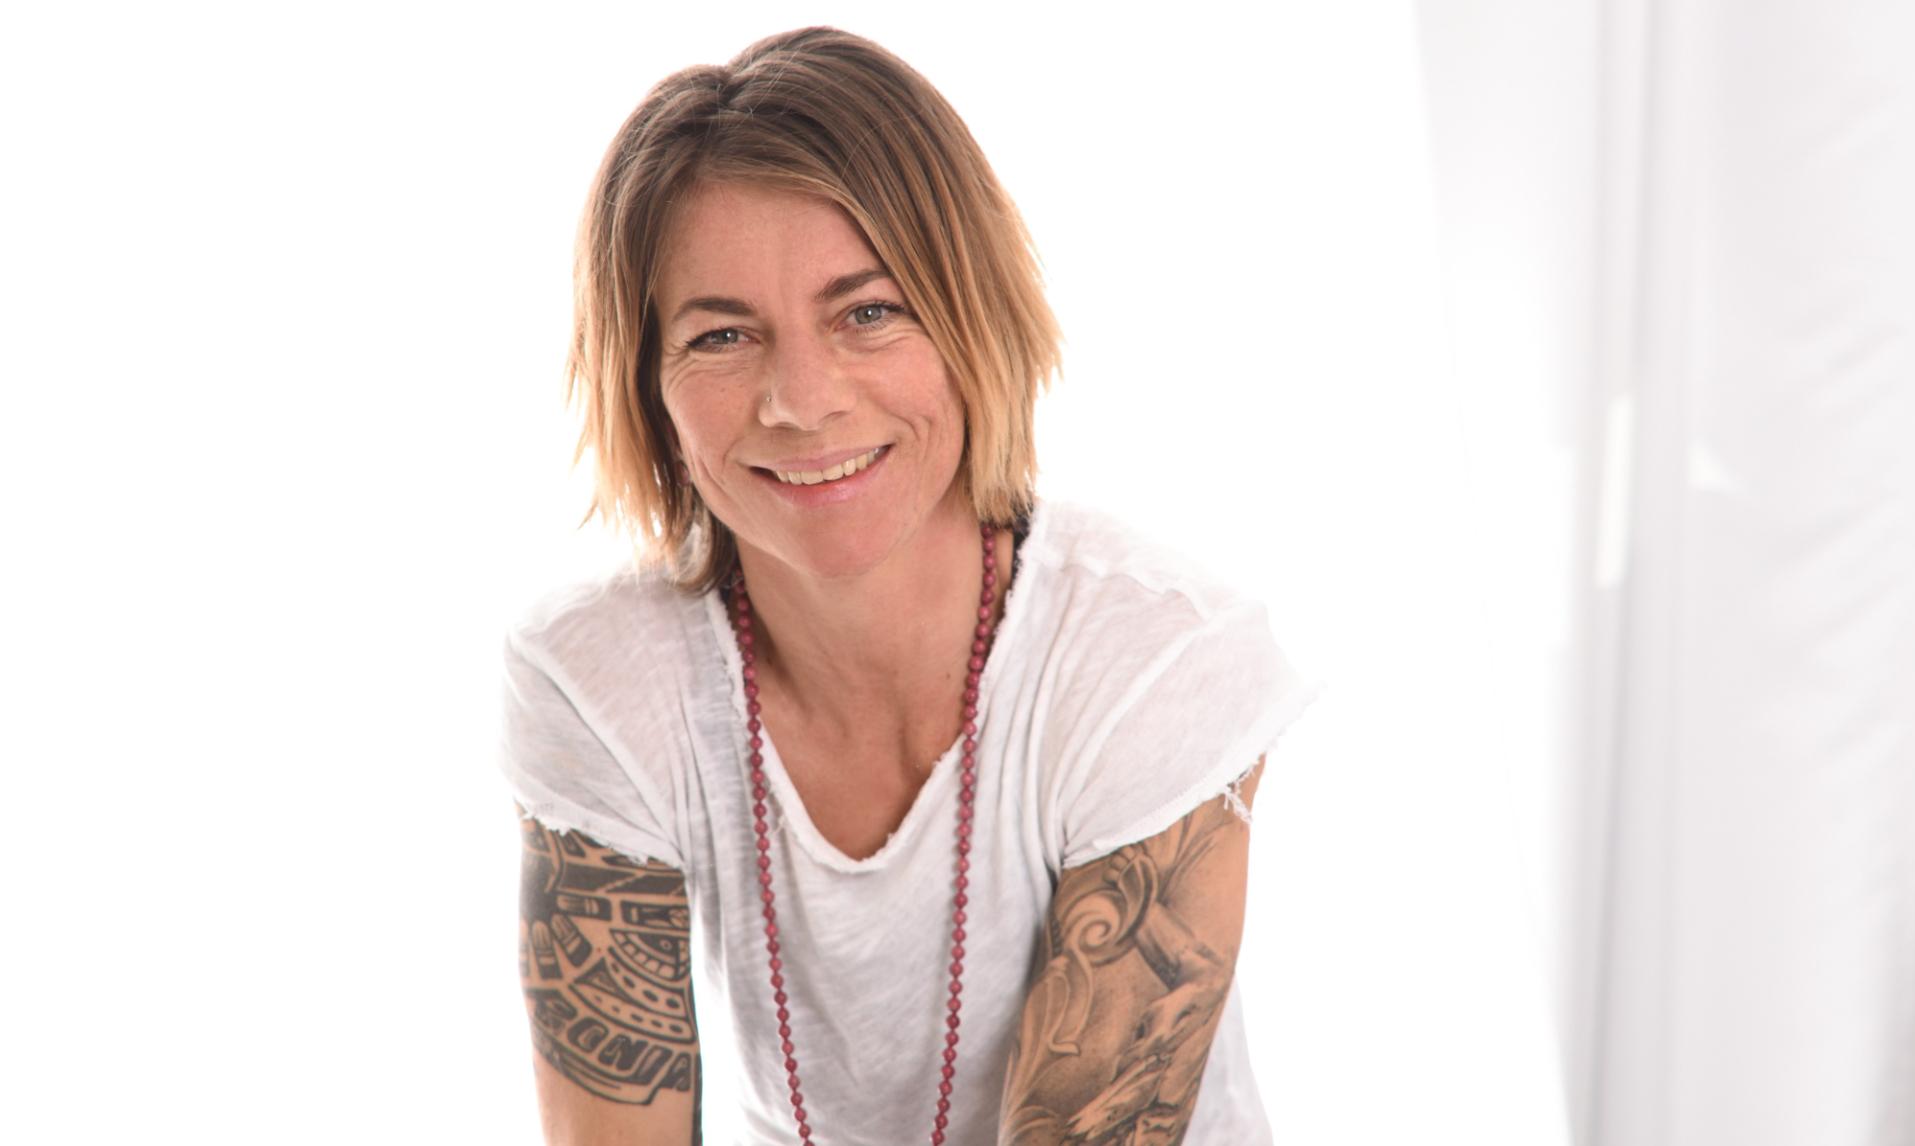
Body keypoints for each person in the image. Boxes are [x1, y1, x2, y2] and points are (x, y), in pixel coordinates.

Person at [498, 25, 1323, 1146]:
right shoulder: (597, 681)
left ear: (971, 317)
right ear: (649, 385)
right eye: (723, 335)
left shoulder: (1152, 661)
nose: (802, 401)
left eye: (869, 312)